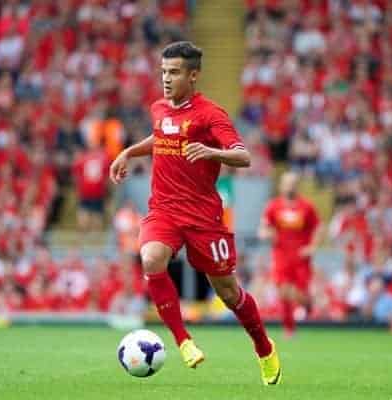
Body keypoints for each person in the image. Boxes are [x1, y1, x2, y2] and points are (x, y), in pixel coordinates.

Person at [110, 41, 281, 385]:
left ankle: (264, 347)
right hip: (164, 210)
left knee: (229, 294)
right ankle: (183, 341)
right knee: (151, 259)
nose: (166, 79)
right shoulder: (159, 108)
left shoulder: (210, 114)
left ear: (193, 75)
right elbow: (160, 137)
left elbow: (243, 155)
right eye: (163, 72)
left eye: (174, 72)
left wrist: (209, 152)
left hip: (204, 217)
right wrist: (129, 151)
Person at [258, 172, 322, 337]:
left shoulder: (306, 207)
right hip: (281, 256)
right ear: (281, 186)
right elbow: (263, 228)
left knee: (300, 295)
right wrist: (266, 234)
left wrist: (312, 246)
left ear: (297, 186)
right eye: (287, 183)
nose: (290, 186)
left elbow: (319, 228)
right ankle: (289, 328)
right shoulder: (273, 206)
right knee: (283, 291)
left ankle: (307, 305)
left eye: (293, 183)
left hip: (301, 258)